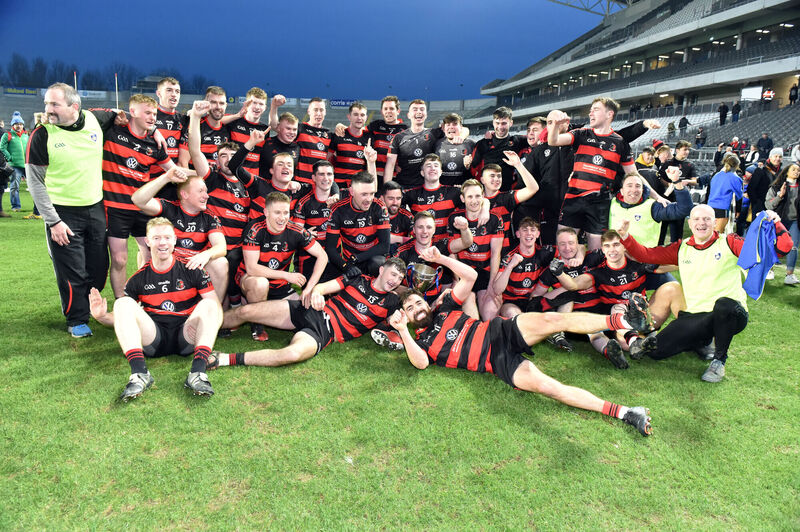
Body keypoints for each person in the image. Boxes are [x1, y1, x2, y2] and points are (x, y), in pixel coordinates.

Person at [388, 245, 654, 437]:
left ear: (427, 302)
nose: (417, 308)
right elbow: (421, 364)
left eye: (418, 302)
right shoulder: (418, 342)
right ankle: (627, 412)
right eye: (410, 308)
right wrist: (402, 331)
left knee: (552, 321)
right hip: (495, 361)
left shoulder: (443, 306)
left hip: (500, 331)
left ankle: (625, 323)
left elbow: (469, 276)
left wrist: (442, 258)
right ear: (408, 317)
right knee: (550, 388)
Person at [617, 205, 792, 381]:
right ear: (690, 223)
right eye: (697, 219)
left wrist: (776, 223)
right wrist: (625, 237)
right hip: (697, 318)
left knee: (723, 305)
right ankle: (699, 342)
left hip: (731, 314)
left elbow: (778, 249)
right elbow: (647, 255)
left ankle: (719, 361)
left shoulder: (729, 242)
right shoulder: (682, 247)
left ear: (715, 223)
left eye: (707, 219)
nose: (702, 223)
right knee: (655, 352)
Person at [89, 217, 222, 400]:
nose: (162, 243)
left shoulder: (193, 269)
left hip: (185, 336)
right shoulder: (138, 279)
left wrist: (207, 329)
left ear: (175, 240)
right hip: (154, 338)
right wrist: (102, 316)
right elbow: (125, 317)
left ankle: (197, 373)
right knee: (122, 303)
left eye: (167, 237)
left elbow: (215, 312)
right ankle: (140, 374)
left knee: (210, 304)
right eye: (157, 238)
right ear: (147, 241)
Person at [26, 82, 118, 337]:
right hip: (62, 212)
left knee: (99, 267)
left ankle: (90, 305)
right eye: (47, 103)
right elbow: (34, 182)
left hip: (95, 207)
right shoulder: (42, 134)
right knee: (72, 268)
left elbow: (120, 115)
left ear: (74, 106)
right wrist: (53, 221)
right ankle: (76, 318)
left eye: (54, 104)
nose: (48, 109)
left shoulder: (94, 119)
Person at [209, 257, 406, 368]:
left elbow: (396, 322)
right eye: (393, 274)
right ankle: (200, 329)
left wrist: (397, 325)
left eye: (399, 278)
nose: (395, 280)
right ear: (381, 270)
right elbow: (321, 288)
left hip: (326, 331)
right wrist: (318, 294)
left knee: (292, 354)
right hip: (312, 311)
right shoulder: (358, 279)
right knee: (246, 311)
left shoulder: (391, 302)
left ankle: (224, 359)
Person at [557, 230, 682, 369]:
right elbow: (574, 284)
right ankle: (640, 342)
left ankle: (684, 332)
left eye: (616, 244)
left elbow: (678, 264)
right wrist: (559, 273)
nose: (612, 249)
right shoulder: (599, 273)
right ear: (603, 249)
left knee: (672, 288)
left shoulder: (638, 264)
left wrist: (688, 257)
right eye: (608, 246)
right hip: (621, 325)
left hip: (645, 318)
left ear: (624, 246)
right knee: (618, 311)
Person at [103, 94, 176, 298]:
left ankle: (145, 296)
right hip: (115, 208)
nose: (153, 117)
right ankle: (121, 302)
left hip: (142, 208)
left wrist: (204, 176)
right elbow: (92, 116)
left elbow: (174, 171)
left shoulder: (154, 144)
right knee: (119, 259)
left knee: (150, 253)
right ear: (132, 112)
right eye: (148, 113)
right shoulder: (112, 132)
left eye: (154, 114)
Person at [547, 98, 636, 251]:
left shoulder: (620, 143)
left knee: (596, 252)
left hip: (599, 203)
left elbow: (634, 175)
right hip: (573, 199)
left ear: (609, 114)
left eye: (595, 109)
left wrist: (657, 196)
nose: (590, 112)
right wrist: (555, 124)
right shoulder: (581, 134)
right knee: (563, 248)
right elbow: (553, 141)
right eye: (590, 110)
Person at [132, 168, 229, 302]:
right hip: (167, 268)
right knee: (144, 252)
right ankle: (147, 300)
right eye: (201, 191)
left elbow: (221, 247)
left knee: (220, 262)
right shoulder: (169, 208)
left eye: (206, 191)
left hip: (192, 269)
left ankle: (213, 313)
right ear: (184, 194)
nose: (206, 196)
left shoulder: (209, 217)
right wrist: (166, 177)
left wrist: (205, 254)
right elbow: (138, 199)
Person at [447, 179, 504, 319]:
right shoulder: (455, 218)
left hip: (485, 271)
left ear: (483, 196)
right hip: (465, 271)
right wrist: (458, 279)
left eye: (478, 196)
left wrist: (492, 283)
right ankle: (475, 334)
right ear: (462, 198)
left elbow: (496, 253)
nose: (474, 200)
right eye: (470, 196)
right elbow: (452, 251)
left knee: (490, 314)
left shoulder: (495, 219)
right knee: (469, 304)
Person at [326, 171, 389, 278]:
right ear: (352, 191)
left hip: (371, 256)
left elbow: (384, 246)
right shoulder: (338, 209)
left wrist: (357, 258)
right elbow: (330, 248)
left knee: (377, 263)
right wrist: (346, 266)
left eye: (372, 193)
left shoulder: (379, 207)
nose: (369, 199)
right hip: (349, 261)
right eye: (364, 194)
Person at [384, 99, 445, 188]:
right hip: (405, 186)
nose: (419, 112)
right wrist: (387, 189)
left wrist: (462, 135)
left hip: (427, 187)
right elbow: (390, 165)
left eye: (422, 109)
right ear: (408, 115)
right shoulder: (398, 137)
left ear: (426, 115)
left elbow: (459, 129)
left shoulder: (435, 133)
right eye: (415, 109)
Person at [471, 107, 527, 191]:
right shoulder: (482, 144)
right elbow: (473, 168)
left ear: (511, 123)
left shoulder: (517, 141)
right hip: (487, 193)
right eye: (497, 123)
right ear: (493, 123)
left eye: (504, 123)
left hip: (508, 193)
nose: (500, 127)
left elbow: (538, 136)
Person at [764, 162, 800, 285]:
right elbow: (768, 205)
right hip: (779, 220)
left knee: (793, 247)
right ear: (787, 172)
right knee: (774, 245)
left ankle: (789, 275)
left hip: (795, 221)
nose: (796, 172)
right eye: (794, 169)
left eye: (798, 170)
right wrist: (780, 195)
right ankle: (770, 269)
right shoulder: (776, 186)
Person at [178, 86, 229, 169]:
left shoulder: (228, 128)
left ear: (226, 105)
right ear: (206, 104)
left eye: (221, 103)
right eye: (213, 102)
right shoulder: (194, 126)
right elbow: (183, 163)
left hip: (219, 180)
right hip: (199, 179)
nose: (218, 107)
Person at [223, 87, 269, 176]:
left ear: (265, 108)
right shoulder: (234, 121)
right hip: (233, 176)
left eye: (261, 104)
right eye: (254, 103)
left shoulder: (265, 129)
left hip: (252, 180)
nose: (257, 107)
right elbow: (215, 121)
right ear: (247, 104)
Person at [328, 102, 373, 187]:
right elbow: (325, 158)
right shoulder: (339, 135)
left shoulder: (369, 138)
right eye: (355, 114)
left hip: (359, 186)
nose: (359, 118)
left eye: (362, 115)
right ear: (349, 117)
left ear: (366, 118)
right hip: (338, 186)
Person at [152, 76, 186, 177]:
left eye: (177, 91)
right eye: (169, 90)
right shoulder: (150, 115)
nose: (174, 95)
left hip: (174, 177)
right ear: (158, 93)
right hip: (150, 177)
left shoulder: (184, 120)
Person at [367, 95, 407, 180]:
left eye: (391, 109)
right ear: (382, 111)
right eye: (385, 109)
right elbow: (357, 130)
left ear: (398, 111)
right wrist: (341, 126)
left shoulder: (405, 130)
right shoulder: (376, 125)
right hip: (375, 177)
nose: (388, 111)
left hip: (396, 179)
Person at [435, 113, 474, 187]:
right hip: (442, 191)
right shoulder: (436, 144)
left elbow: (478, 169)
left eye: (455, 124)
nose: (451, 127)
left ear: (461, 127)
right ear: (443, 128)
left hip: (464, 190)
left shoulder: (471, 144)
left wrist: (469, 166)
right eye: (448, 124)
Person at [707, 153, 743, 232]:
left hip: (710, 206)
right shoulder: (735, 178)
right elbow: (739, 196)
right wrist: (738, 209)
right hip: (722, 207)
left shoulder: (716, 175)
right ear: (736, 165)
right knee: (718, 234)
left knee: (710, 233)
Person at [0, 111, 28, 213]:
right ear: (12, 125)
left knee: (34, 187)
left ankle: (37, 208)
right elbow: (2, 147)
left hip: (27, 165)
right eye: (16, 124)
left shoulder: (26, 136)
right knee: (14, 186)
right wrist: (9, 157)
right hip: (15, 165)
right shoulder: (8, 135)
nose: (19, 126)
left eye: (20, 124)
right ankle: (16, 206)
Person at [258, 110, 300, 176]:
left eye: (294, 129)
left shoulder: (297, 147)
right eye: (288, 129)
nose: (292, 132)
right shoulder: (265, 144)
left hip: (287, 185)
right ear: (279, 128)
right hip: (264, 185)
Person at [380, 180, 413, 252]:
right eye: (391, 198)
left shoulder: (407, 216)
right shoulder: (373, 215)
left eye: (398, 198)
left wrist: (397, 239)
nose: (395, 202)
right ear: (382, 199)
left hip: (399, 257)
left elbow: (418, 240)